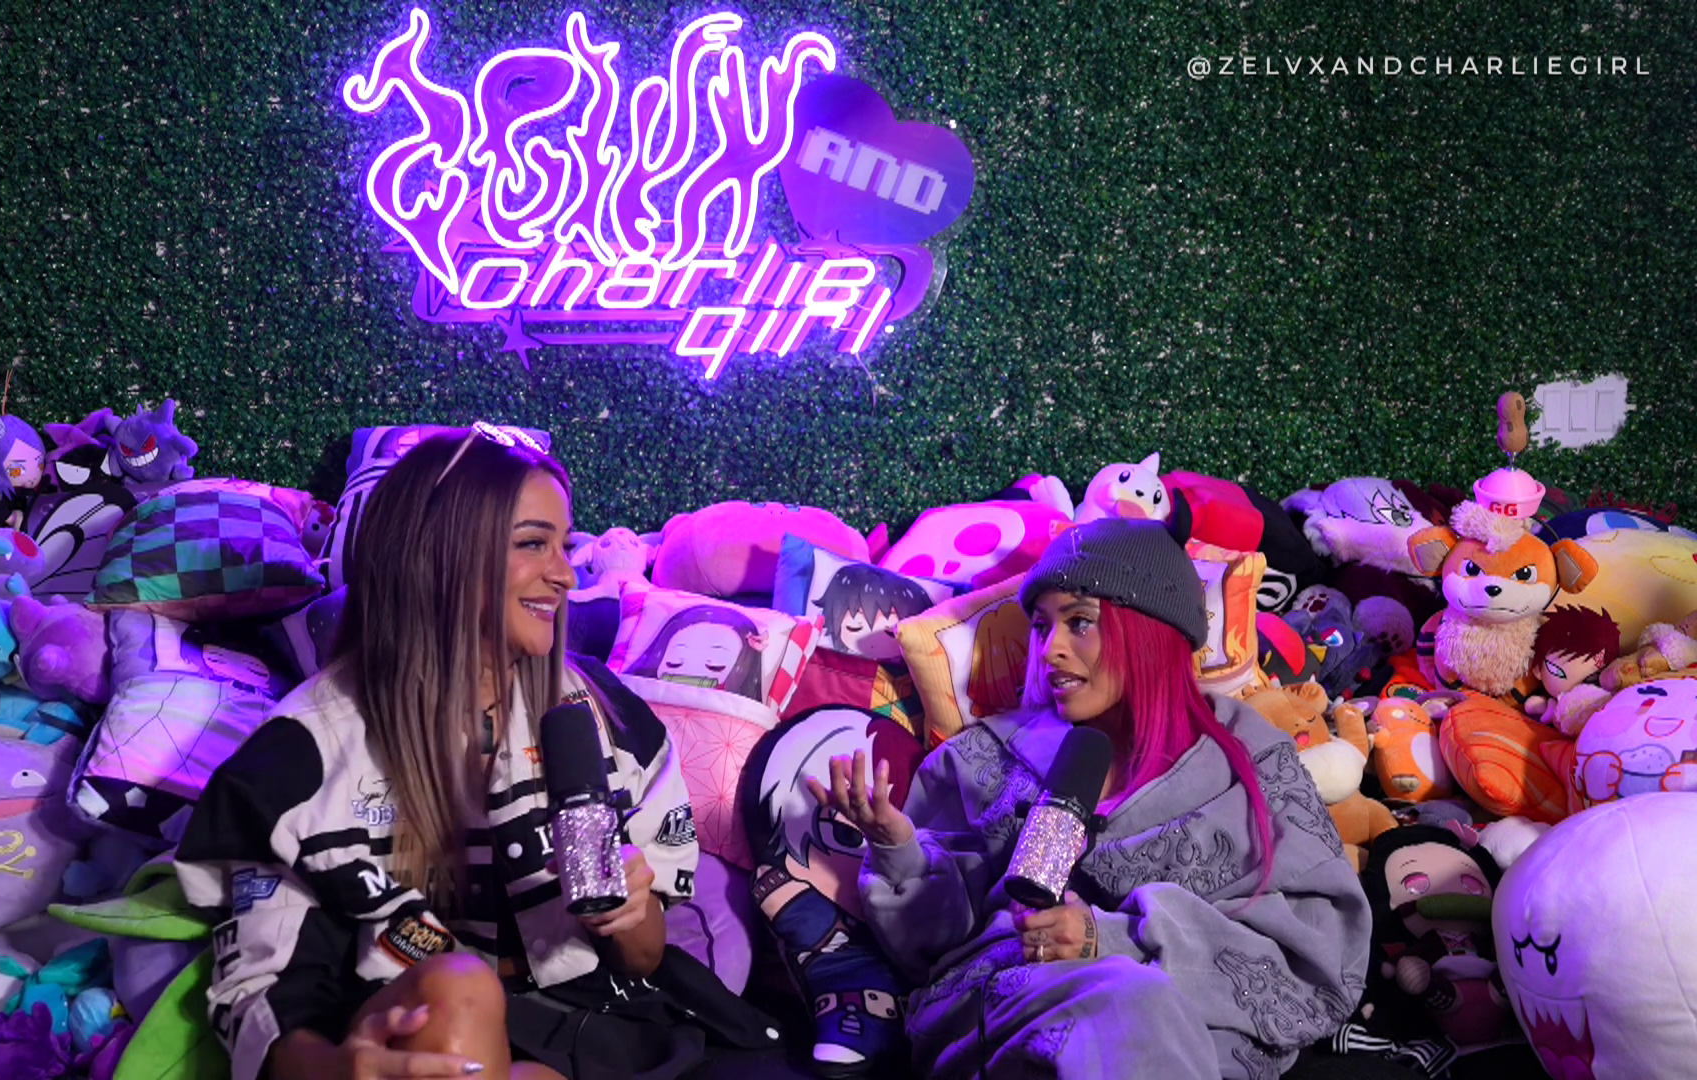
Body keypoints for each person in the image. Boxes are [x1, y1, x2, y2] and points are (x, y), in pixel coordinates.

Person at [175, 425, 776, 1080]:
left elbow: (643, 958)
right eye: (533, 544)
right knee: (459, 991)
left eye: (564, 545)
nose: (565, 574)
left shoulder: (604, 711)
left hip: (605, 1022)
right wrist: (344, 1069)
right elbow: (263, 999)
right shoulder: (300, 755)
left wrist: (631, 913)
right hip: (416, 1021)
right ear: (438, 556)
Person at [810, 518, 1372, 1078]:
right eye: (1040, 627)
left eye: (1079, 622)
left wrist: (1114, 941)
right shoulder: (982, 757)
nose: (1050, 650)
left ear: (1150, 630)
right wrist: (899, 852)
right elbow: (931, 951)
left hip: (1196, 1045)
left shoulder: (1253, 764)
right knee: (1130, 1001)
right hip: (1005, 1017)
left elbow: (1321, 962)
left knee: (1141, 1001)